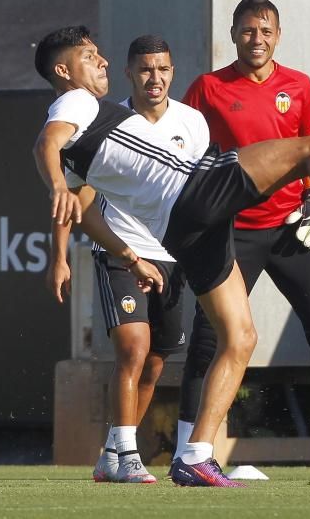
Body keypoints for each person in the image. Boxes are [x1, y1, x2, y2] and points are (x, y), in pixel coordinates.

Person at [32, 25, 310, 487]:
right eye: (90, 55)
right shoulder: (75, 101)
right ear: (64, 70)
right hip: (193, 194)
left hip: (182, 232)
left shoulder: (92, 133)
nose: (100, 62)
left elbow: (84, 212)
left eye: (100, 55)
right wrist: (56, 184)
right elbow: (46, 144)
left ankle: (195, 455)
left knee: (239, 338)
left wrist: (125, 251)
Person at [176, 0, 310, 481]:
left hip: (287, 231)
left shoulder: (299, 86)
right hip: (230, 234)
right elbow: (182, 151)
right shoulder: (207, 88)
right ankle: (189, 453)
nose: (256, 39)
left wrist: (309, 203)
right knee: (209, 343)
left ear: (278, 35)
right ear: (234, 34)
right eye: (247, 31)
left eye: (265, 31)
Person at [46, 35, 207, 483]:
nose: (154, 78)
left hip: (171, 257)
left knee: (156, 361)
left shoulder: (192, 123)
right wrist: (59, 256)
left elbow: (193, 194)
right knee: (132, 350)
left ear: (172, 72)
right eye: (144, 70)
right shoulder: (99, 117)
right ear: (130, 74)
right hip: (120, 251)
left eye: (163, 69)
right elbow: (74, 193)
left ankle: (114, 452)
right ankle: (130, 456)